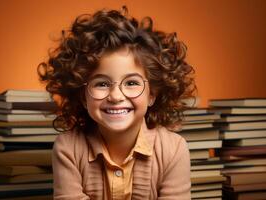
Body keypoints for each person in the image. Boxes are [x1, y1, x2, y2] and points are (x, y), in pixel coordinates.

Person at [38, 6, 195, 200]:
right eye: (102, 83)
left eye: (131, 83)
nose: (116, 96)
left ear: (152, 94)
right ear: (82, 96)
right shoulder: (68, 148)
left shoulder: (173, 149)